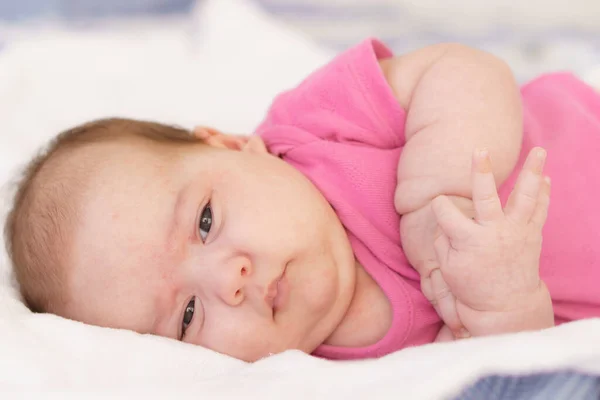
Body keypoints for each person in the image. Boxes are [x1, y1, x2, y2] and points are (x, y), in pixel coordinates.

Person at [5, 38, 600, 362]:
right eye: (187, 316)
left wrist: (437, 196)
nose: (229, 280)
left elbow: (465, 68)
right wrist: (502, 303)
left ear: (233, 144)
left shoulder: (312, 128)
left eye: (205, 221)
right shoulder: (334, 372)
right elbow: (517, 362)